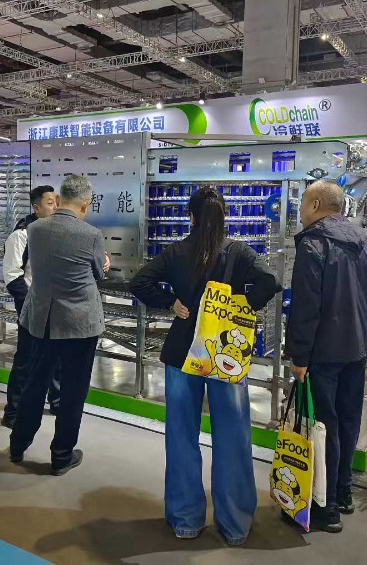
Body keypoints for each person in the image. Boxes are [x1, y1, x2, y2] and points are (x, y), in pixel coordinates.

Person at [129, 186, 280, 545]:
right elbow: (271, 282)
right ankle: (235, 525)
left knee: (182, 435)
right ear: (223, 215)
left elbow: (139, 282)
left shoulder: (176, 251)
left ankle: (185, 519)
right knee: (233, 437)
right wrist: (239, 304)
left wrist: (171, 301)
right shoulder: (238, 252)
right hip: (225, 354)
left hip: (183, 353)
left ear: (191, 217)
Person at [284, 180, 367, 534]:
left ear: (316, 205)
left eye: (303, 202)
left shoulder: (313, 243)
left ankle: (325, 508)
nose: (300, 210)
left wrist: (299, 355)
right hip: (355, 347)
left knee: (323, 427)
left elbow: (306, 306)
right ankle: (343, 492)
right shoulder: (363, 241)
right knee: (349, 419)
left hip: (323, 352)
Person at [9, 175, 110, 475]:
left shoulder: (35, 229)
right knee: (72, 391)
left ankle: (18, 445)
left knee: (34, 384)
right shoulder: (91, 234)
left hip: (42, 319)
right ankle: (62, 455)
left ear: (60, 198)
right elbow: (97, 273)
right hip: (80, 324)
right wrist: (104, 262)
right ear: (85, 204)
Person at [1, 185, 61, 428]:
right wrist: (29, 306)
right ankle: (14, 411)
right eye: (50, 203)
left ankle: (56, 400)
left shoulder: (56, 232)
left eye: (56, 202)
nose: (55, 207)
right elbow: (12, 276)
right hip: (32, 306)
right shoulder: (21, 236)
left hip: (56, 304)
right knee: (27, 358)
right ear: (36, 208)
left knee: (57, 355)